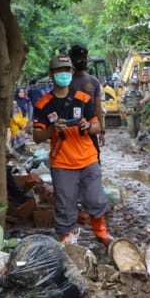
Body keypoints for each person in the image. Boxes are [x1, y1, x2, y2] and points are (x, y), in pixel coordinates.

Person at [32, 54, 110, 245]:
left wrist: (88, 126)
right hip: (62, 162)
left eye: (66, 70)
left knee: (96, 199)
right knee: (65, 205)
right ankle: (66, 238)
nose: (63, 74)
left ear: (71, 72)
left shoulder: (82, 98)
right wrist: (52, 129)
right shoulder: (43, 104)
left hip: (88, 158)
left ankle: (100, 232)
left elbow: (97, 125)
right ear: (51, 73)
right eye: (59, 71)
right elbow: (36, 136)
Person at [68, 43, 105, 152]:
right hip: (71, 131)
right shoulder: (66, 82)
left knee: (94, 157)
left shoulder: (94, 82)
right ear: (72, 60)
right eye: (78, 58)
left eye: (84, 58)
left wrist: (102, 131)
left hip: (91, 128)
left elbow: (98, 108)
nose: (82, 61)